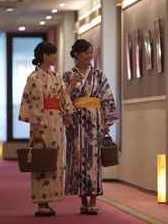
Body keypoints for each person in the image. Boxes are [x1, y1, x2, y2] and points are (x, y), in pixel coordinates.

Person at [18, 42, 75, 217]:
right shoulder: (34, 78)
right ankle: (41, 203)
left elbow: (63, 98)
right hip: (41, 124)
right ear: (44, 56)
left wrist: (68, 116)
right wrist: (35, 127)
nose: (55, 57)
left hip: (56, 122)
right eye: (52, 54)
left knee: (54, 160)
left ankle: (49, 200)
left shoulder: (55, 76)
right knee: (42, 160)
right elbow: (34, 103)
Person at [63, 39, 118, 214]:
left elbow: (107, 98)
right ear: (77, 55)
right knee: (78, 160)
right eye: (86, 52)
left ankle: (93, 198)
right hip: (76, 123)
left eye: (91, 52)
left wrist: (106, 121)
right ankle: (83, 199)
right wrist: (71, 87)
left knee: (94, 161)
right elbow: (63, 99)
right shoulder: (68, 76)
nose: (90, 56)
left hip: (95, 122)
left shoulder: (99, 76)